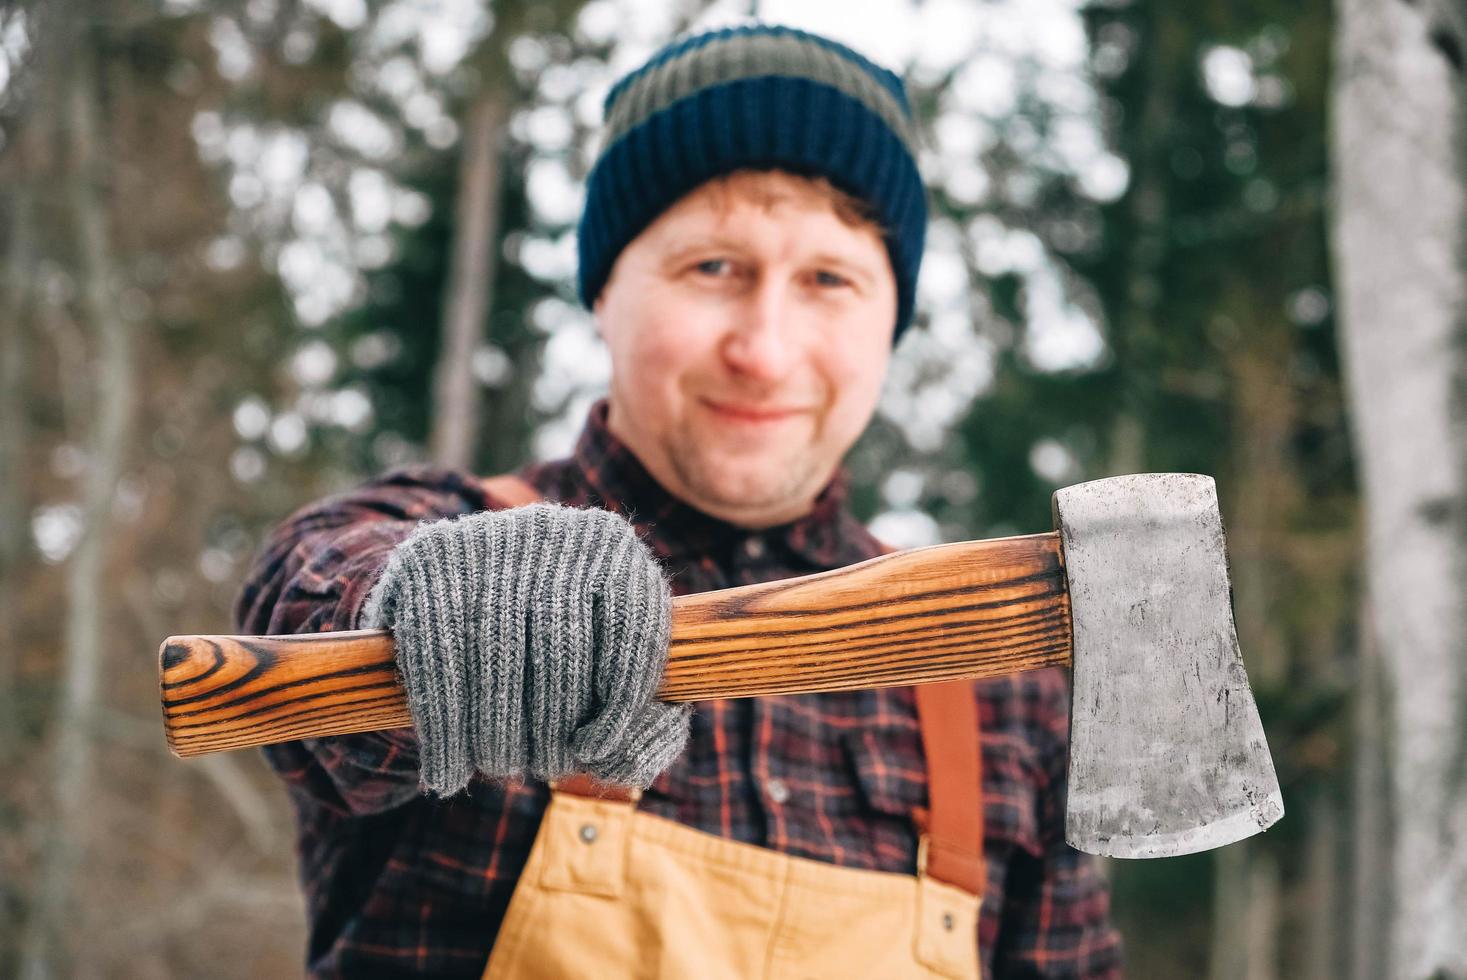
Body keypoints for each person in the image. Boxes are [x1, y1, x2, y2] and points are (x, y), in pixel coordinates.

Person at [236, 23, 1122, 979]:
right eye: (714, 269)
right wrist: (440, 612)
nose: (765, 348)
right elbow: (313, 594)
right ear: (604, 290)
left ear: (891, 322)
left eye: (829, 280)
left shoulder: (1000, 690)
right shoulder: (442, 539)